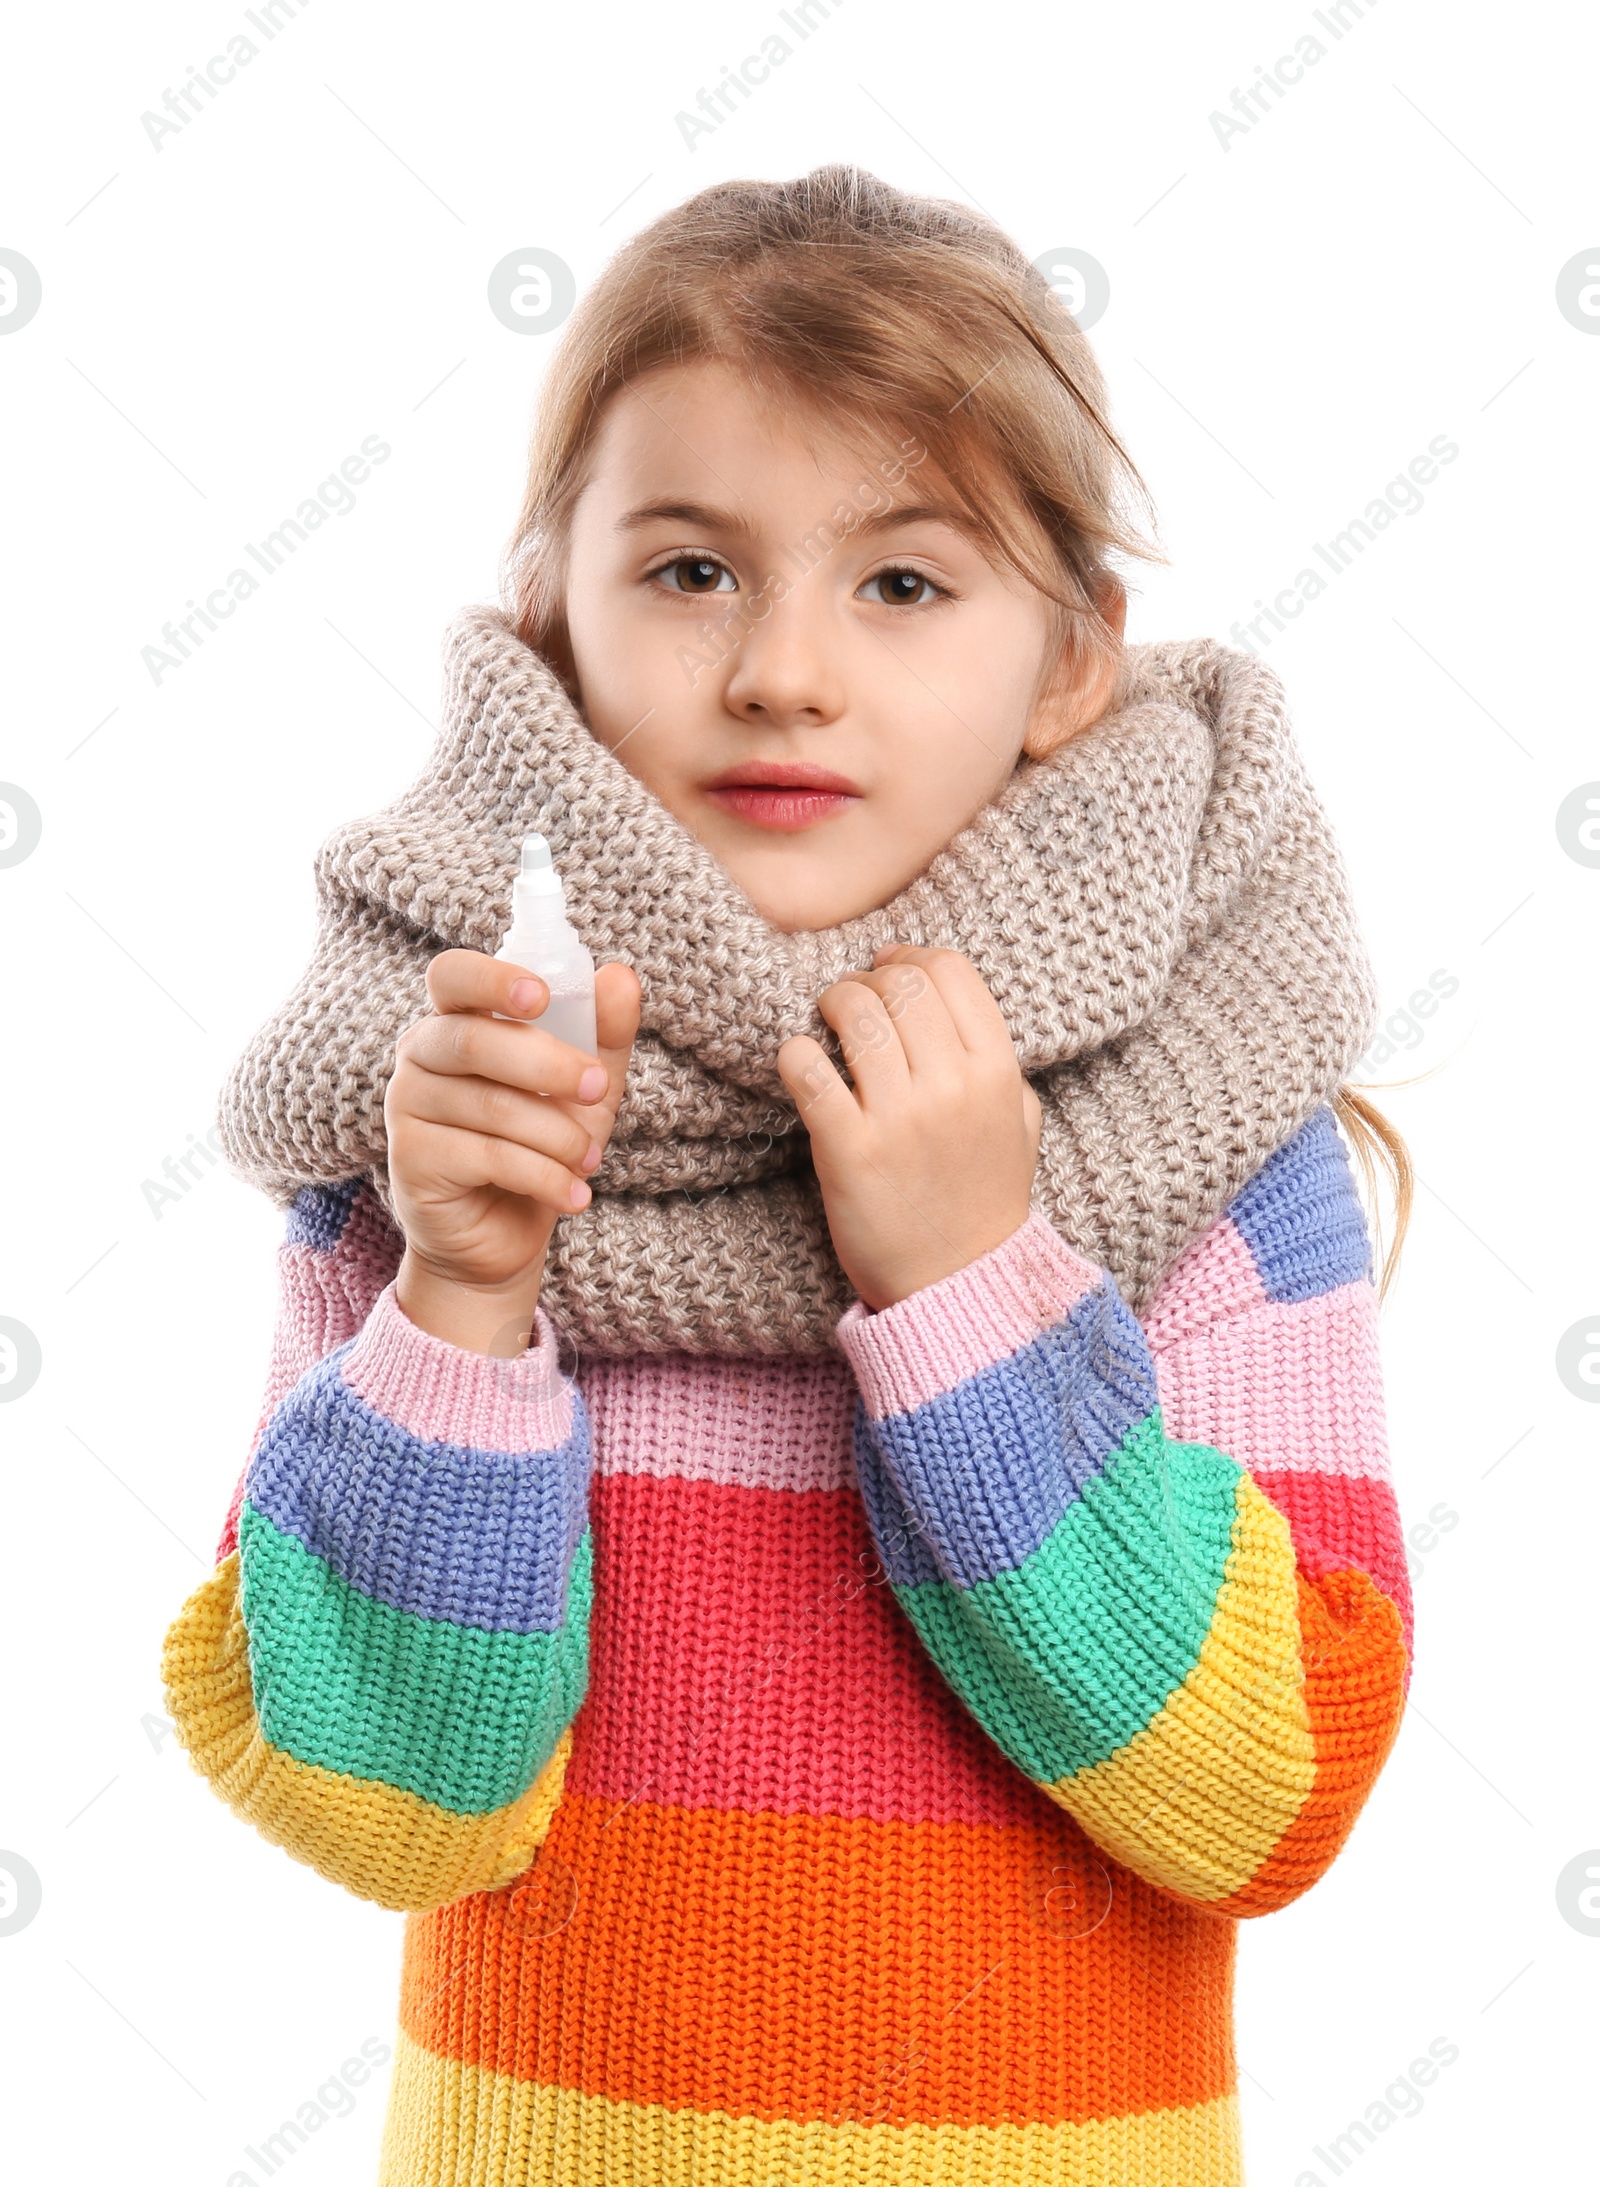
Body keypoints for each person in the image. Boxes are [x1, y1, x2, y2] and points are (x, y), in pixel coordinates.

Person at [163, 165, 1413, 2186]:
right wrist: (462, 1309)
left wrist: (973, 1284)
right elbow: (381, 1803)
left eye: (902, 583)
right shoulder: (445, 1117)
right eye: (689, 570)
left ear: (1069, 660)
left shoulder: (1205, 1127)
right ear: (550, 617)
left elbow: (1267, 1794)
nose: (783, 673)